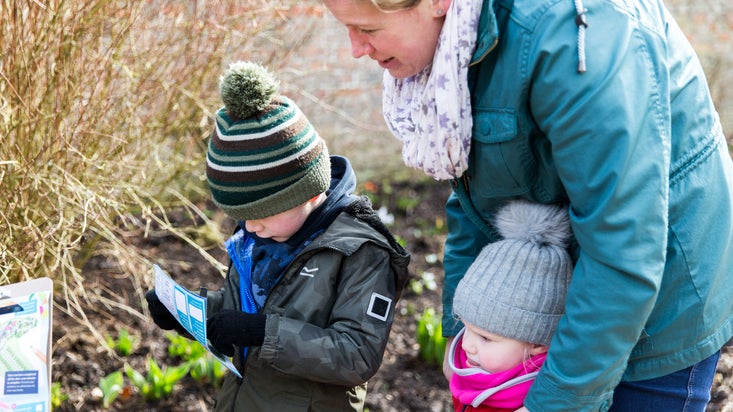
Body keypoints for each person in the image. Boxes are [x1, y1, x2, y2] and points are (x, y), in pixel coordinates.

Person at [322, 0, 733, 410]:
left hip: (659, 299)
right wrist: (462, 328)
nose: (357, 48)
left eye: (368, 29)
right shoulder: (451, 52)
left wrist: (555, 401)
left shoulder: (575, 39)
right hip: (567, 292)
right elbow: (475, 197)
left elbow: (624, 243)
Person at [145, 60, 410, 411]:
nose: (250, 227)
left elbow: (357, 354)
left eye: (261, 215)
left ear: (307, 192)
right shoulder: (261, 236)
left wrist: (264, 333)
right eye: (241, 216)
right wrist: (188, 314)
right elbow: (243, 310)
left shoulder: (360, 252)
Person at [449, 200, 572, 411]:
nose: (466, 345)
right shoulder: (470, 372)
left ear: (537, 344)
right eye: (466, 326)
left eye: (486, 338)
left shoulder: (536, 400)